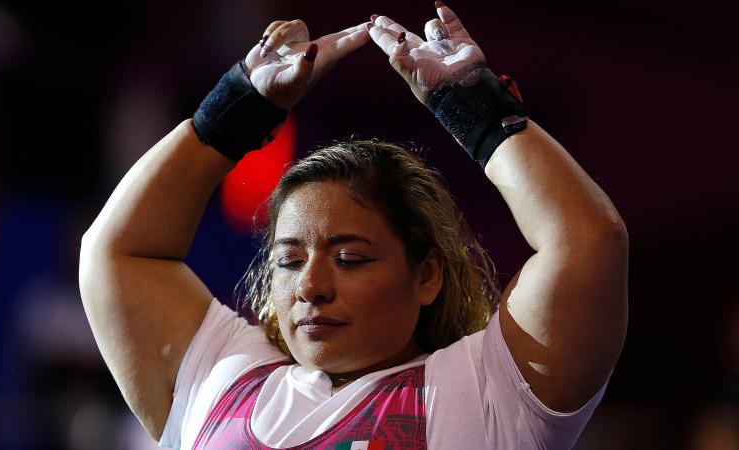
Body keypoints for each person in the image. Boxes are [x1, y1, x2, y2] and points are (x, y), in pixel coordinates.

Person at [79, 3, 629, 449]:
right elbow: (118, 252)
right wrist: (233, 109)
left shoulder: (485, 396)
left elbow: (587, 242)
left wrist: (475, 110)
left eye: (350, 259)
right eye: (289, 261)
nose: (311, 287)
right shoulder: (221, 378)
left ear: (427, 276)